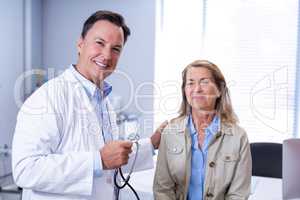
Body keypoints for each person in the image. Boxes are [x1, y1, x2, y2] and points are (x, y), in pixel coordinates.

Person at [12, 10, 166, 200]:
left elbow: (111, 161)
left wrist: (151, 144)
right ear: (80, 44)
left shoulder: (104, 101)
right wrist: (97, 160)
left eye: (116, 49)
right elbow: (25, 169)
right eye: (99, 43)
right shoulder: (48, 97)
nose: (107, 55)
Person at [153, 60, 252, 200]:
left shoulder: (238, 137)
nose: (197, 89)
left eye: (204, 82)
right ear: (185, 91)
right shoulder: (170, 132)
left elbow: (239, 194)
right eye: (190, 83)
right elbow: (162, 189)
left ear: (219, 90)